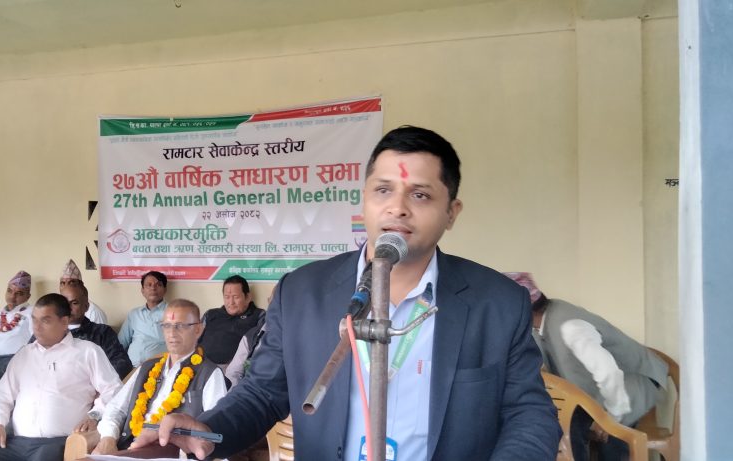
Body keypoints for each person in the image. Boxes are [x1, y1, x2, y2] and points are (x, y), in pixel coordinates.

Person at [134, 126, 561, 460]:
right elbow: (263, 392)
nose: (398, 207)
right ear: (363, 201)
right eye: (383, 190)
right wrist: (208, 428)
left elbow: (530, 413)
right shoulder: (302, 294)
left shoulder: (496, 303)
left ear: (452, 212)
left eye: (420, 194)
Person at [505, 271, 667, 461]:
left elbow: (609, 373)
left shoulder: (571, 328)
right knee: (568, 426)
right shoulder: (537, 325)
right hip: (595, 388)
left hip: (630, 382)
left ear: (522, 311)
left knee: (613, 444)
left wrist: (611, 419)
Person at [0, 293, 121, 461]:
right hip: (14, 443)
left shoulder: (87, 352)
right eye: (34, 320)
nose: (37, 328)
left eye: (45, 321)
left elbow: (114, 391)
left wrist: (95, 415)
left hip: (60, 443)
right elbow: (2, 395)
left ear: (64, 322)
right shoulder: (24, 355)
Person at [92, 299, 227, 455]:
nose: (172, 333)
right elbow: (116, 407)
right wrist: (108, 438)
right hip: (128, 446)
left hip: (170, 452)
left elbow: (216, 428)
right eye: (167, 326)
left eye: (180, 326)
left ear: (198, 330)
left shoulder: (209, 373)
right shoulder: (147, 367)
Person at [61, 285, 132, 379]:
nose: (67, 308)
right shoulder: (50, 334)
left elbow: (122, 365)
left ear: (86, 306)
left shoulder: (102, 332)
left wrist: (95, 381)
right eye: (63, 303)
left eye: (74, 303)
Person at [199, 275, 264, 367]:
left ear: (248, 297)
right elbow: (194, 340)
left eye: (235, 297)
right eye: (227, 297)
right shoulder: (210, 314)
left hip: (236, 371)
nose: (231, 302)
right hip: (203, 367)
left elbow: (262, 349)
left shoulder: (259, 316)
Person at [118, 271, 168, 367]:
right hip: (132, 368)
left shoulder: (173, 312)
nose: (153, 288)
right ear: (142, 290)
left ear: (165, 290)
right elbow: (121, 343)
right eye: (149, 285)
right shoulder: (134, 314)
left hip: (160, 368)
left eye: (158, 285)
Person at [59, 259, 108, 324]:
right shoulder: (57, 310)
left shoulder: (94, 312)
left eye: (71, 282)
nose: (66, 286)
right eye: (62, 283)